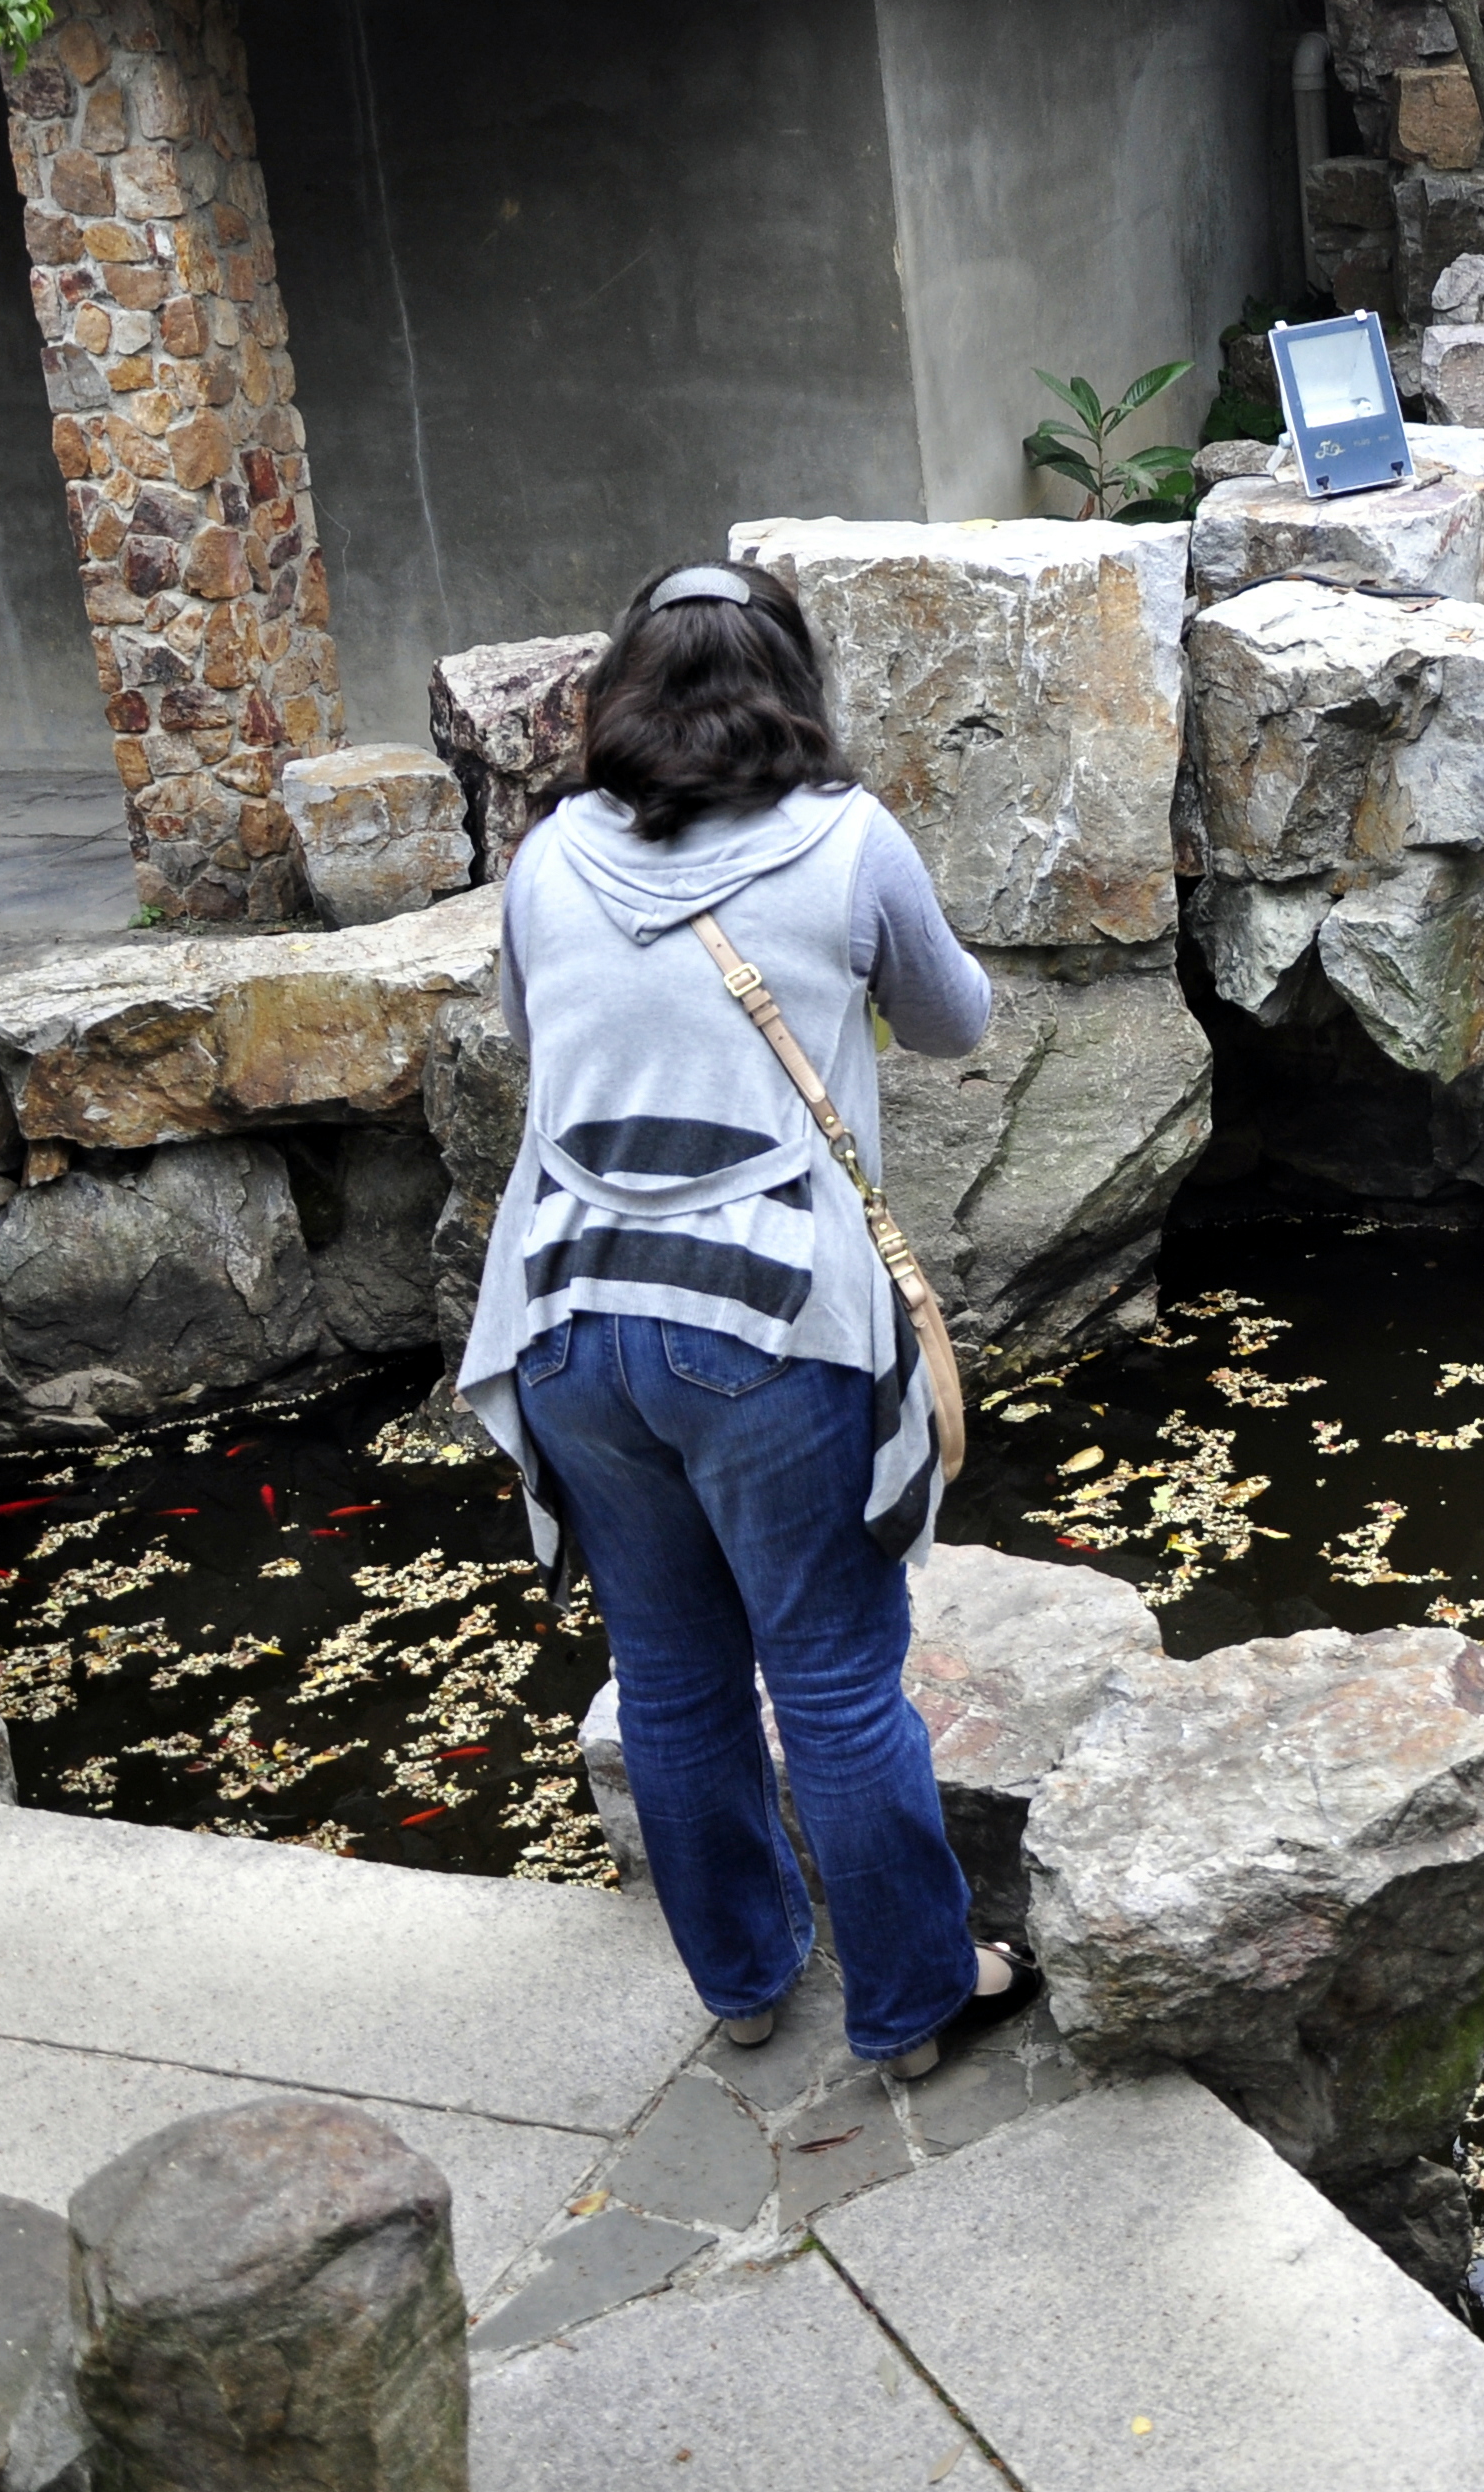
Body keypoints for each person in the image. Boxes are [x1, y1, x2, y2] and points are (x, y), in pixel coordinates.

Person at [456, 560, 1033, 2082]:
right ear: (793, 686)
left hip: (570, 1318)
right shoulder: (849, 842)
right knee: (835, 1679)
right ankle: (913, 2005)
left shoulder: (546, 857)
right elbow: (957, 1021)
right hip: (768, 1325)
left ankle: (746, 1979)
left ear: (622, 696)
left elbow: (538, 1039)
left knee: (668, 1673)